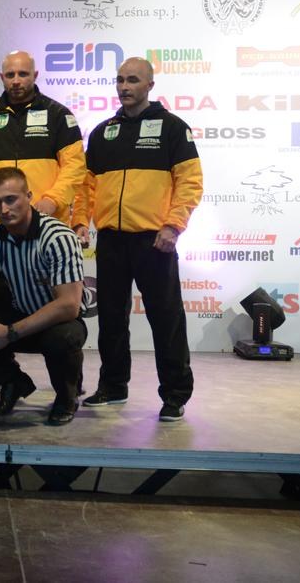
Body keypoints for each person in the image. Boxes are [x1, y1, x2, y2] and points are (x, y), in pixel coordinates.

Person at [73, 57, 203, 422]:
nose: (124, 87)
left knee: (166, 320)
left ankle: (175, 394)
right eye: (120, 80)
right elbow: (86, 186)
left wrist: (173, 226)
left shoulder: (173, 128)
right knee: (112, 319)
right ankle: (113, 386)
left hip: (155, 241)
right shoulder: (103, 132)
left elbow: (190, 182)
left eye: (132, 80)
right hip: (111, 241)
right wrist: (80, 221)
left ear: (150, 85)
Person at [0, 167, 87, 426]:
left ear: (29, 197)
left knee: (63, 337)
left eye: (11, 199)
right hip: (20, 312)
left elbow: (69, 305)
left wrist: (9, 333)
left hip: (56, 322)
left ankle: (67, 397)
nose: (4, 209)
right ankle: (12, 381)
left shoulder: (58, 237)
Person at [0, 50, 86, 238]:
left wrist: (53, 200)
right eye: (10, 75)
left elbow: (74, 167)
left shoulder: (58, 115)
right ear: (1, 78)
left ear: (35, 75)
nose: (16, 81)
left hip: (47, 225)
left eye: (23, 74)